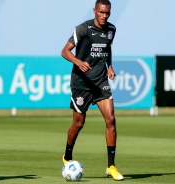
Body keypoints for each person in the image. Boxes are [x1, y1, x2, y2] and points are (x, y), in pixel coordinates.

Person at [61, 0, 123, 181]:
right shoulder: (83, 29)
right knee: (78, 124)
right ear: (94, 10)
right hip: (81, 83)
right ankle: (67, 155)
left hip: (100, 81)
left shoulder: (111, 30)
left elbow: (107, 48)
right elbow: (65, 51)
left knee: (111, 120)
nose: (104, 16)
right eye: (101, 12)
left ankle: (111, 166)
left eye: (107, 13)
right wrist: (79, 62)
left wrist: (110, 66)